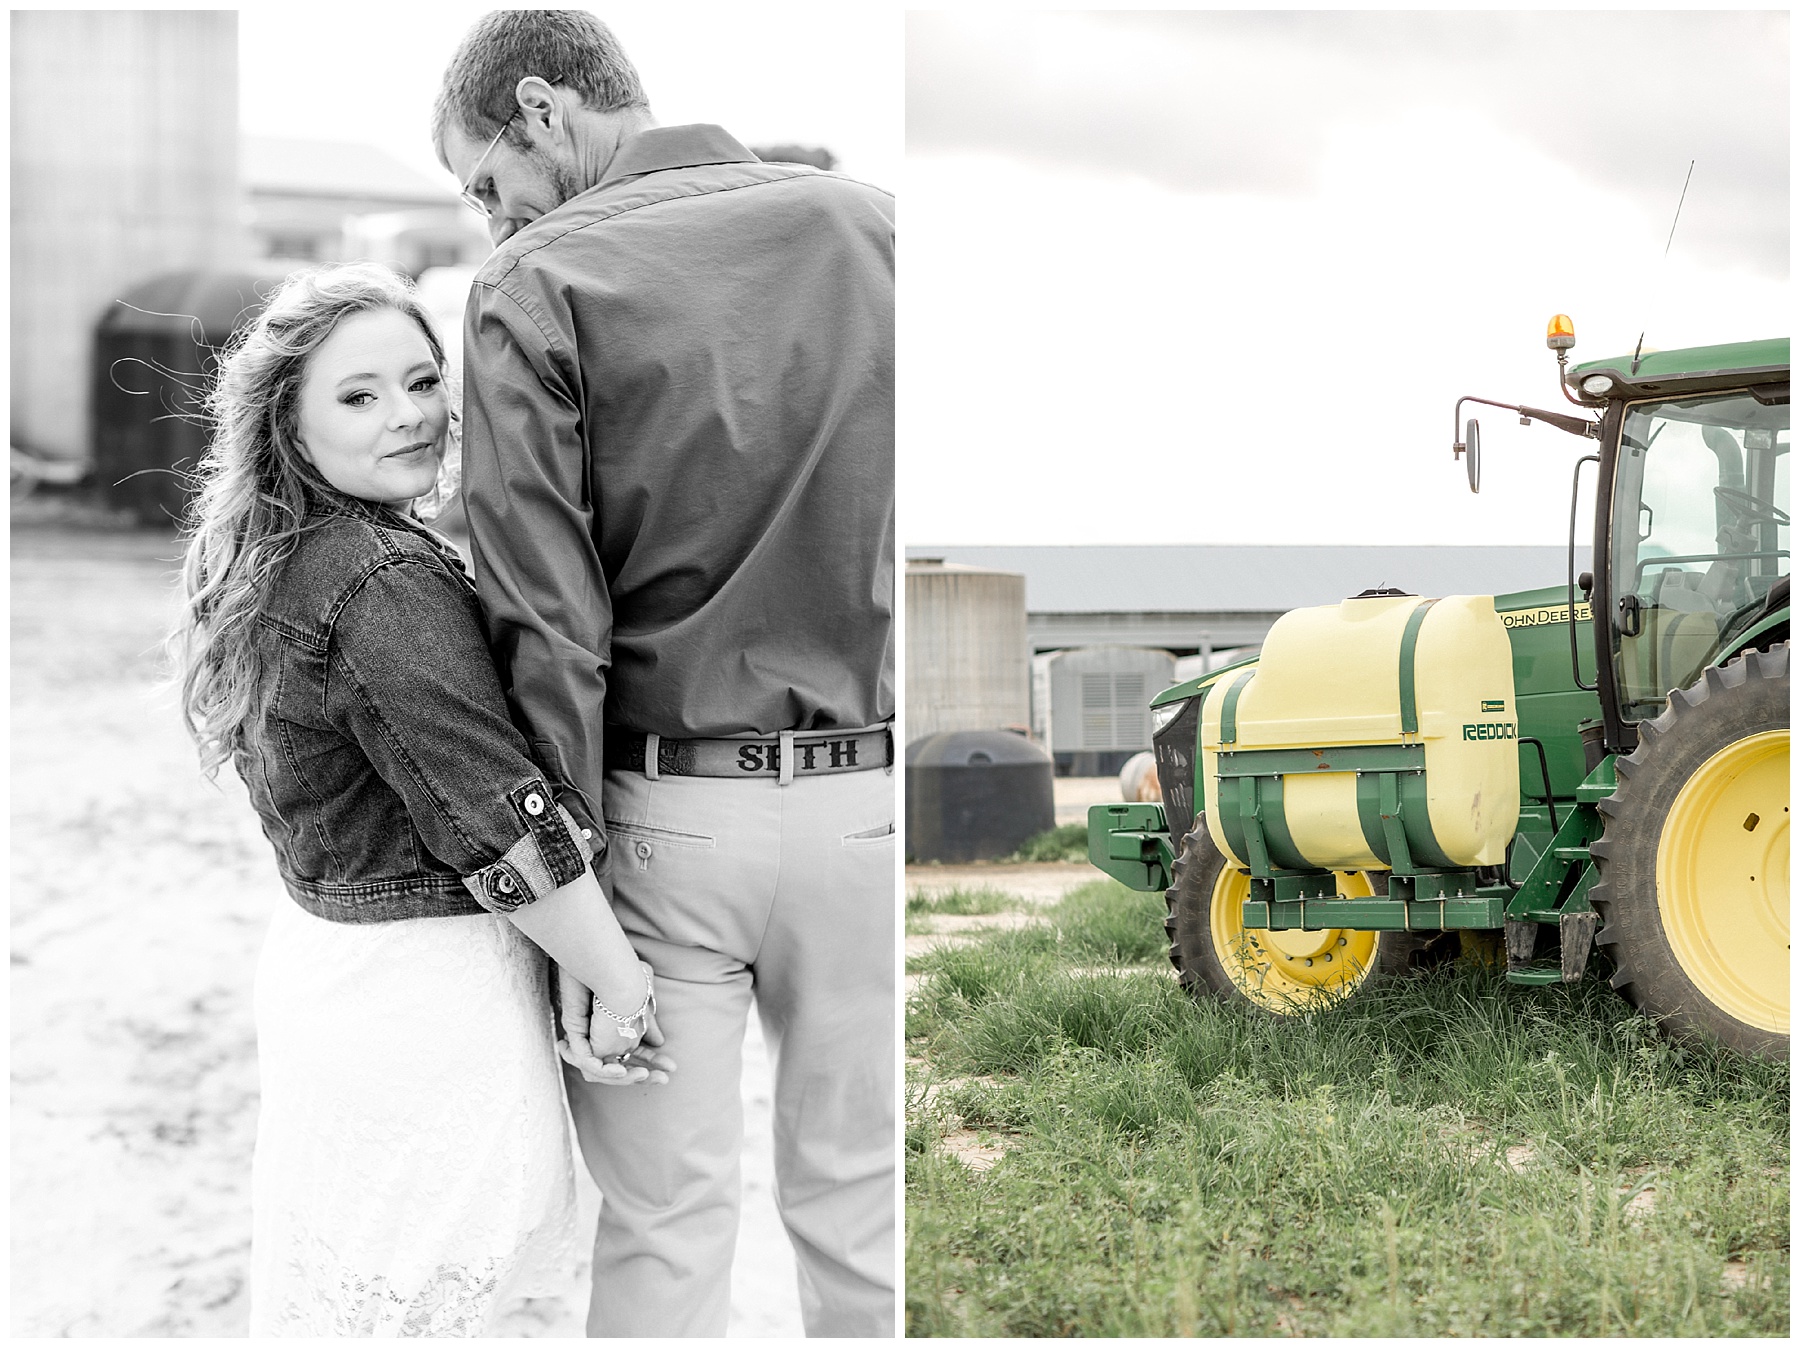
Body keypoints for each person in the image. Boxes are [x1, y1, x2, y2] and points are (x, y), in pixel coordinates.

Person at [433, 11, 895, 1338]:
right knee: (867, 1211)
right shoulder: (877, 230)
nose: (488, 221)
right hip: (870, 806)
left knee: (664, 1231)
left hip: (662, 824)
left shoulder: (535, 283)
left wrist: (568, 895)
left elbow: (545, 623)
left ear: (539, 112)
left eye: (482, 184)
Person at [168, 262, 673, 1337]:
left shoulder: (287, 553)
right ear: (289, 426)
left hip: (336, 975)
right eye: (358, 397)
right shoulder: (378, 580)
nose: (409, 417)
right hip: (422, 1003)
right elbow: (500, 823)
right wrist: (617, 981)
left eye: (423, 381)